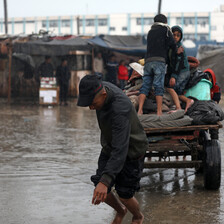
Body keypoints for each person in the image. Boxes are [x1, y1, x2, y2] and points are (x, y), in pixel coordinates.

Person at [77, 74, 148, 224]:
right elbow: (115, 148)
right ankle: (121, 210)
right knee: (100, 185)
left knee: (124, 194)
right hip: (110, 147)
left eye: (92, 103)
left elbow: (121, 149)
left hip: (131, 151)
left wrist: (106, 180)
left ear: (103, 94)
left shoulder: (119, 108)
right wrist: (104, 182)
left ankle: (137, 216)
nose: (91, 107)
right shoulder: (101, 88)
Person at [138, 14, 176, 116]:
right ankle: (159, 112)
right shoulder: (166, 30)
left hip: (148, 61)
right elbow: (172, 44)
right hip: (159, 61)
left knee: (145, 86)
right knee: (158, 86)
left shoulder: (150, 31)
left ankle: (139, 110)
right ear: (165, 21)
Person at [165, 25, 194, 113]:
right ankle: (187, 102)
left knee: (171, 88)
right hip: (181, 72)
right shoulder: (171, 47)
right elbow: (170, 63)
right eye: (174, 35)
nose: (176, 37)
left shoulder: (179, 48)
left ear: (181, 37)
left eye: (178, 35)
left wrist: (173, 77)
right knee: (178, 92)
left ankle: (178, 108)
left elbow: (179, 64)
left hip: (182, 72)